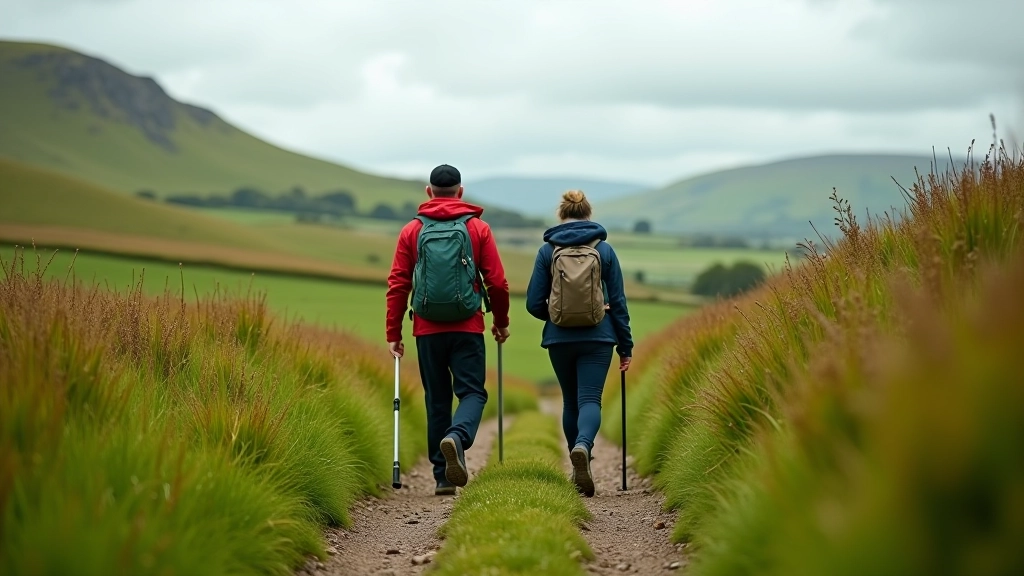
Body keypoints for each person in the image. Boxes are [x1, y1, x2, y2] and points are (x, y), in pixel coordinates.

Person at [386, 164, 511, 496]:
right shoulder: (478, 229)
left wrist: (393, 333)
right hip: (468, 326)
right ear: (460, 191)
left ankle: (442, 478)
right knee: (472, 393)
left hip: (426, 329)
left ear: (429, 192)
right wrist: (501, 322)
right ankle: (456, 438)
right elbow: (497, 283)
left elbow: (398, 284)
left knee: (437, 399)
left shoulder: (412, 230)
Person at [525, 190, 633, 497]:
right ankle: (584, 447)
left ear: (562, 214)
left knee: (570, 401)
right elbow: (620, 304)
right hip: (599, 336)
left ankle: (576, 462)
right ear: (588, 214)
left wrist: (557, 313)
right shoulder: (605, 250)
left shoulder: (548, 251)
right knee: (590, 400)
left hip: (559, 338)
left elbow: (533, 304)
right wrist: (625, 347)